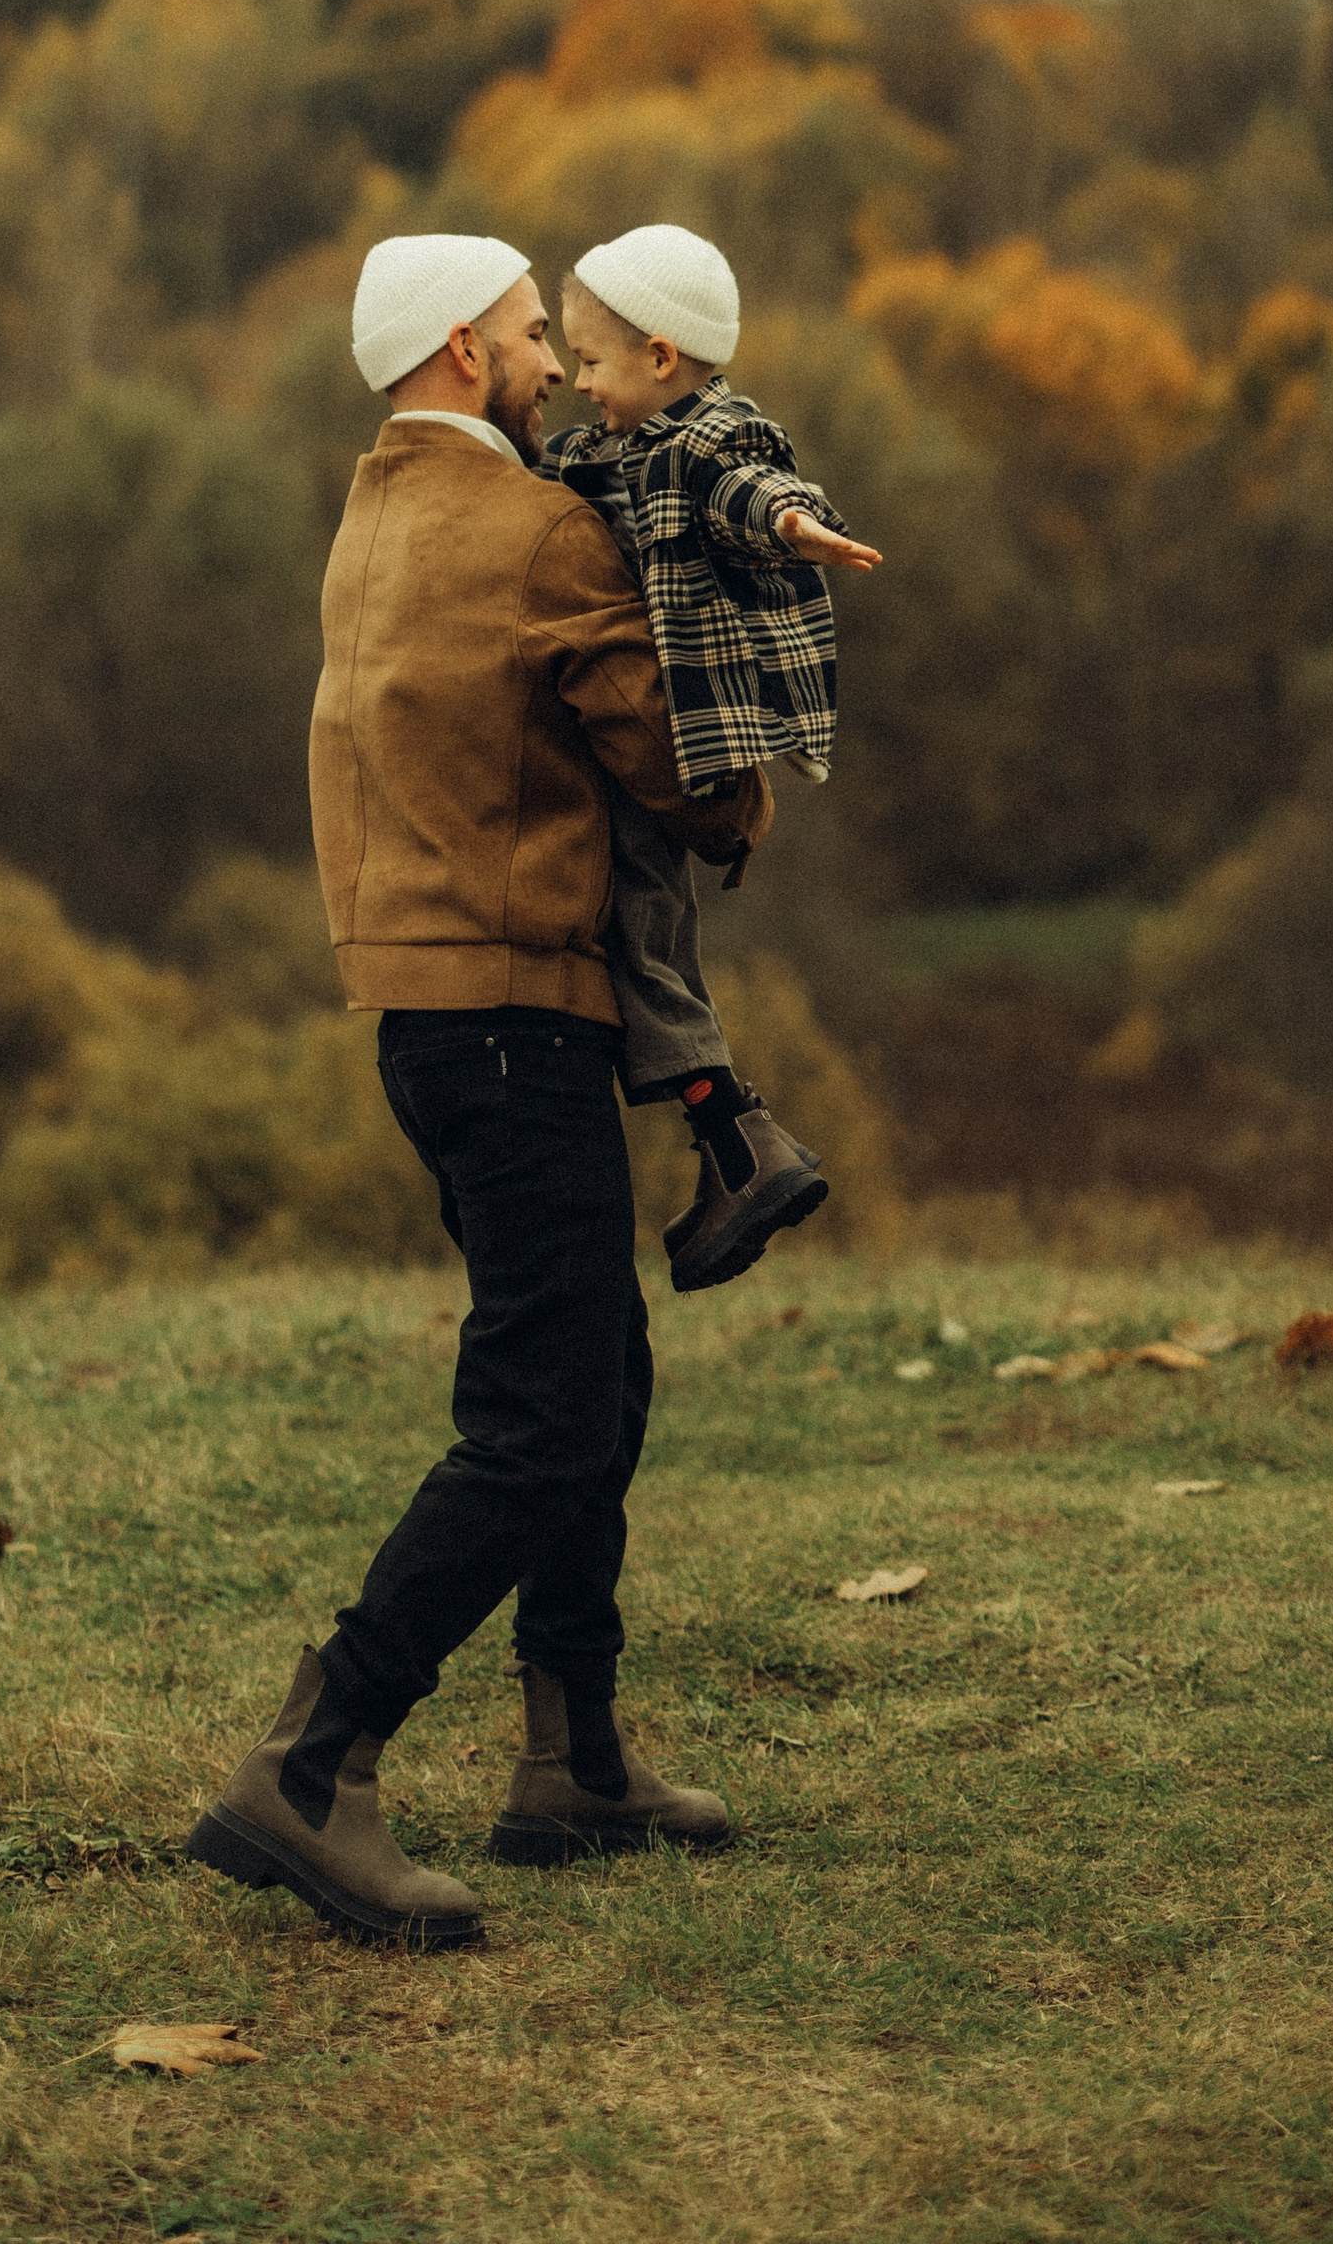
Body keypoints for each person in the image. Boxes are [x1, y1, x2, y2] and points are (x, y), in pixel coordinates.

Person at [186, 232, 768, 1948]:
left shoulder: (372, 523)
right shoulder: (529, 528)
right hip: (518, 1017)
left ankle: (573, 1756)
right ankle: (314, 1760)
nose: (550, 363)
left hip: (427, 1025)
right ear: (458, 351)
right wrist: (750, 776)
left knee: (595, 1362)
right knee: (541, 1416)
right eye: (529, 337)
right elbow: (666, 755)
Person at [544, 224, 881, 1292]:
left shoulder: (708, 441)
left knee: (640, 933)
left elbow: (750, 489)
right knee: (637, 931)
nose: (577, 382)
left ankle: (741, 1145)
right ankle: (731, 1142)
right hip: (643, 732)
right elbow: (546, 475)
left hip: (686, 737)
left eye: (590, 362)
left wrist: (793, 524)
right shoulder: (611, 448)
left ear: (660, 358)